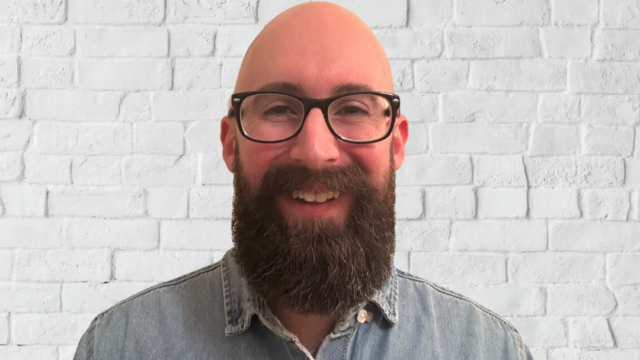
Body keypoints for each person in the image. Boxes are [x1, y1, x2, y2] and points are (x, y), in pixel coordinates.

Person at [74, 3, 533, 359]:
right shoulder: (121, 346)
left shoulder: (488, 350)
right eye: (277, 108)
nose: (315, 149)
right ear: (231, 142)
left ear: (395, 144)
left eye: (353, 108)